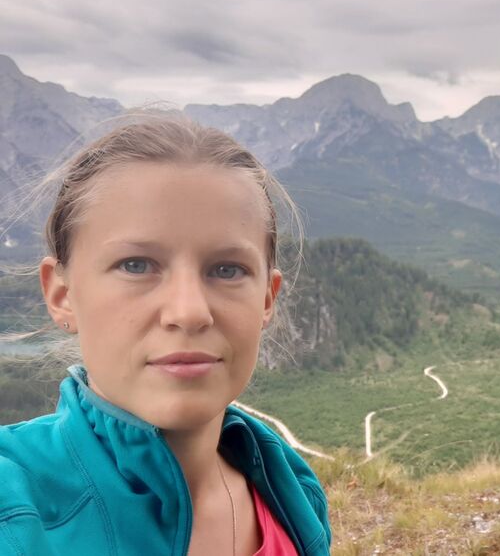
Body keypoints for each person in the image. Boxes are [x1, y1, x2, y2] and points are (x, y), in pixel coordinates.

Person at [0, 113, 332, 555]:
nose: (189, 312)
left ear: (267, 299)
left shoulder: (289, 488)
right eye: (136, 265)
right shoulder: (16, 508)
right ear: (62, 294)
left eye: (227, 270)